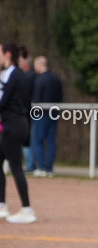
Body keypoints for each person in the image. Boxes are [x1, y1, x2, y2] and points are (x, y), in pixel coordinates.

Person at [0, 42, 35, 223]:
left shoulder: (11, 74)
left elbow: (3, 101)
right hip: (17, 124)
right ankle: (2, 205)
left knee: (15, 167)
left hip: (12, 126)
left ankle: (27, 209)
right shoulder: (16, 74)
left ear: (7, 54)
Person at [30, 56, 63, 177]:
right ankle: (49, 168)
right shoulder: (56, 78)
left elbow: (36, 99)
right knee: (51, 141)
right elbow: (60, 97)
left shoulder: (39, 80)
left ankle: (42, 167)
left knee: (37, 141)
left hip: (41, 115)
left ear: (40, 65)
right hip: (53, 114)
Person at [18, 46, 35, 174]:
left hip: (27, 112)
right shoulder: (31, 76)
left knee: (27, 138)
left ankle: (30, 164)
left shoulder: (28, 77)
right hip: (29, 111)